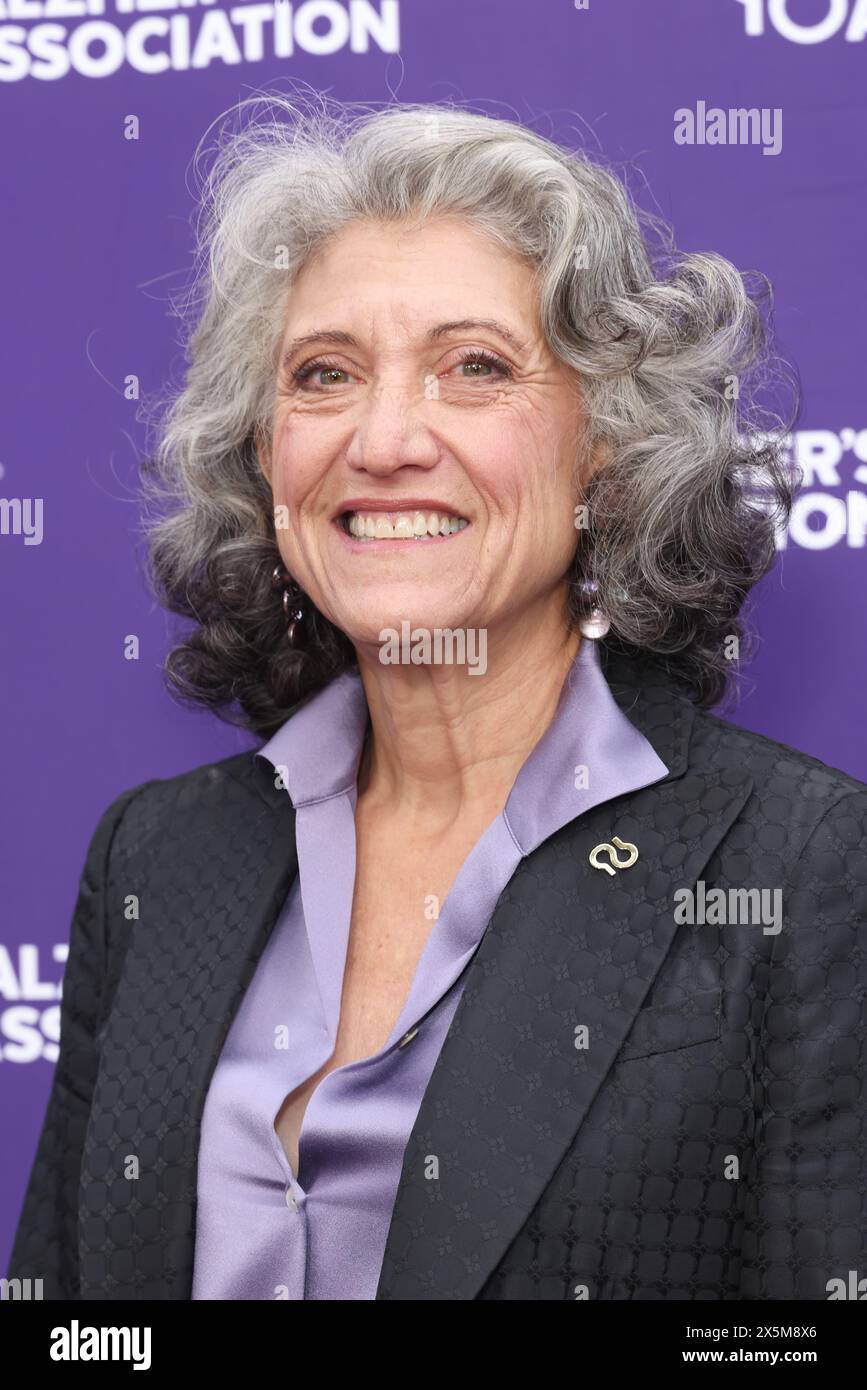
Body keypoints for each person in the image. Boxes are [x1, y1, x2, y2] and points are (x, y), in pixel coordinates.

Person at [8, 95, 867, 1301]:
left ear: (606, 444)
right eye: (323, 374)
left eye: (474, 368)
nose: (384, 436)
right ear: (266, 452)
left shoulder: (808, 865)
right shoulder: (156, 854)